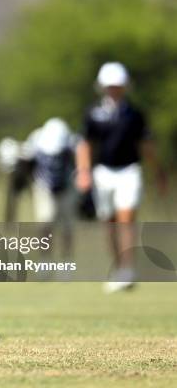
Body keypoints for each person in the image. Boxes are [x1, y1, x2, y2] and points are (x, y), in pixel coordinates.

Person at [76, 62, 166, 293]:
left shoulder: (135, 114)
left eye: (117, 86)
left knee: (126, 219)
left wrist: (158, 172)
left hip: (129, 170)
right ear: (103, 87)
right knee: (109, 224)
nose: (113, 90)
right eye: (110, 86)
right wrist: (84, 172)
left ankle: (127, 269)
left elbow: (146, 146)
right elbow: (85, 145)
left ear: (124, 87)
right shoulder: (93, 113)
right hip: (103, 172)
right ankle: (118, 269)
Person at [22, 118, 78, 262]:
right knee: (45, 222)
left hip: (68, 186)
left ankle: (66, 262)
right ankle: (45, 261)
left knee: (67, 226)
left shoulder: (73, 143)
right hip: (43, 186)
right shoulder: (35, 140)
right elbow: (27, 163)